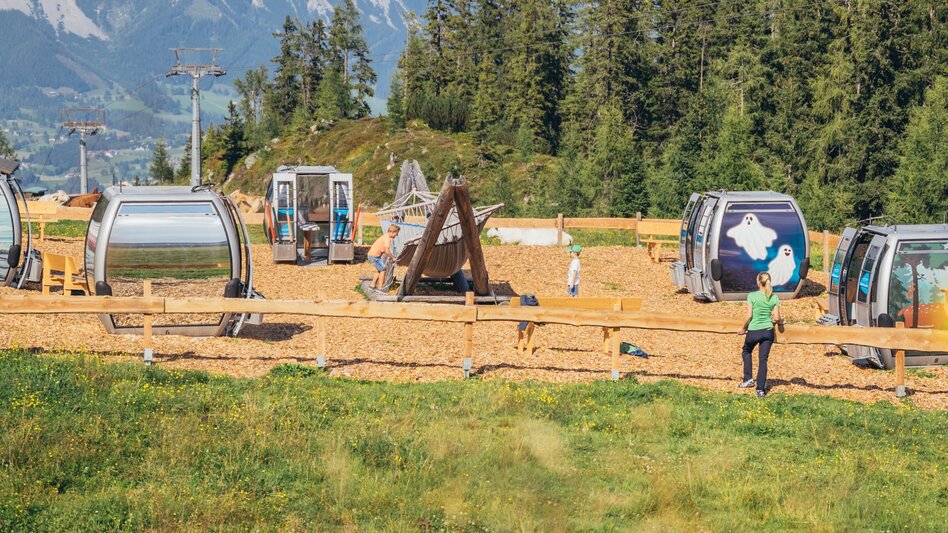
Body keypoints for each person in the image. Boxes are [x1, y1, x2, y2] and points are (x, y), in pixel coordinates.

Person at [737, 271, 783, 397]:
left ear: (758, 282)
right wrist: (780, 321)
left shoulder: (752, 296)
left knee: (746, 351)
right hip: (768, 331)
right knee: (763, 360)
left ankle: (748, 379)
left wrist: (743, 328)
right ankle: (760, 389)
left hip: (754, 330)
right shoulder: (774, 297)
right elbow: (777, 317)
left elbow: (749, 315)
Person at [367, 225, 400, 290]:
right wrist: (393, 257)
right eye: (396, 233)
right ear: (392, 232)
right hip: (374, 256)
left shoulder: (385, 236)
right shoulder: (387, 238)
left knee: (380, 270)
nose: (397, 235)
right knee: (383, 269)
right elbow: (387, 251)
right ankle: (380, 287)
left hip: (372, 255)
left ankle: (372, 285)